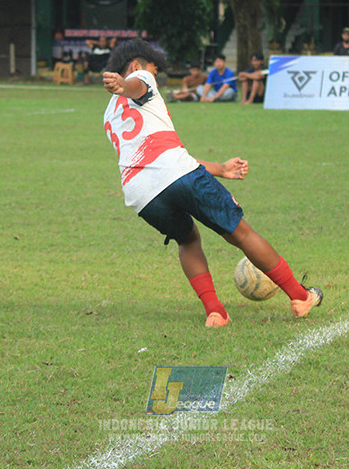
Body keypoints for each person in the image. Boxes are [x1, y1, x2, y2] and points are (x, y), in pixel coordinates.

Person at [100, 39, 323, 327]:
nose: (154, 77)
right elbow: (137, 87)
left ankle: (215, 312)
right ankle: (299, 295)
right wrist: (125, 83)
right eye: (154, 71)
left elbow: (161, 157)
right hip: (175, 173)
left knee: (188, 239)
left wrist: (220, 169)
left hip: (140, 193)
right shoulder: (139, 78)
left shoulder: (109, 114)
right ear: (135, 66)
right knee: (240, 233)